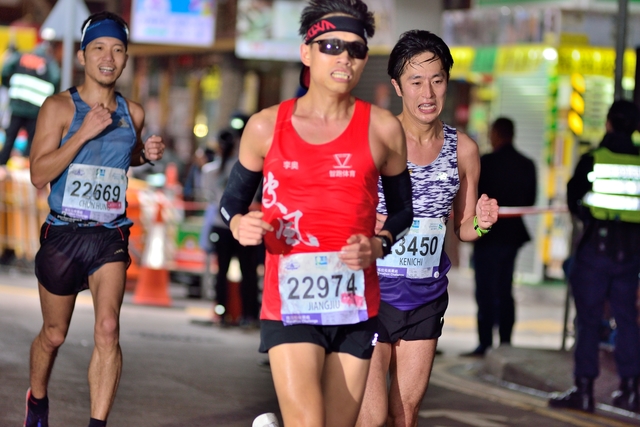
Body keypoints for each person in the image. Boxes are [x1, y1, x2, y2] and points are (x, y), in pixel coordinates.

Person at [218, 1, 414, 425]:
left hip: (354, 303)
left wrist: (378, 245)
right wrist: (238, 223)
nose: (344, 57)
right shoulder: (265, 126)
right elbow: (232, 201)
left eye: (356, 49)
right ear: (306, 53)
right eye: (331, 46)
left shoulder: (383, 129)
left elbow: (403, 212)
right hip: (290, 301)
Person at [24, 11, 164, 427]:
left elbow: (125, 156)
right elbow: (38, 175)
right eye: (99, 48)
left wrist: (145, 155)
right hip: (63, 231)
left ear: (126, 59)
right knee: (54, 335)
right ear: (83, 56)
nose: (108, 57)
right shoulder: (58, 108)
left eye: (118, 50)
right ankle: (37, 401)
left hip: (109, 235)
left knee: (107, 328)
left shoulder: (132, 112)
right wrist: (83, 133)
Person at [356, 30, 499, 427]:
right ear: (397, 86)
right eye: (416, 81)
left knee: (405, 414)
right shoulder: (375, 138)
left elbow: (464, 227)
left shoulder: (463, 149)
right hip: (369, 293)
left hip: (425, 296)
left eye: (437, 80)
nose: (428, 93)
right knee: (372, 416)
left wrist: (483, 222)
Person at [549, 100, 640, 413]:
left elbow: (574, 199)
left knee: (588, 321)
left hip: (596, 252)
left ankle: (585, 391)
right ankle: (631, 390)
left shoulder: (594, 158)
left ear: (609, 123)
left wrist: (590, 216)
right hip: (631, 254)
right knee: (627, 321)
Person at [462, 117, 536, 356]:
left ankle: (485, 342)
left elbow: (474, 196)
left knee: (485, 290)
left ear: (496, 134)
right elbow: (530, 200)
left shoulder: (487, 162)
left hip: (487, 235)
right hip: (512, 236)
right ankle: (505, 341)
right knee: (505, 289)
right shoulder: (526, 164)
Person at [202, 128, 261, 326]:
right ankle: (248, 315)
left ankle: (222, 312)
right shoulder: (245, 168)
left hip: (220, 225)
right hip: (245, 225)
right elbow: (255, 194)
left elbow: (210, 196)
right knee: (248, 272)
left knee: (222, 272)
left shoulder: (209, 171)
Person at [0, 41, 60, 165]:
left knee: (10, 138)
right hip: (35, 109)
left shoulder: (22, 56)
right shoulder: (49, 62)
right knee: (32, 139)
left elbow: (5, 69)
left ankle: (2, 164)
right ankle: (27, 165)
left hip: (17, 105)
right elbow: (56, 77)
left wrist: (8, 84)